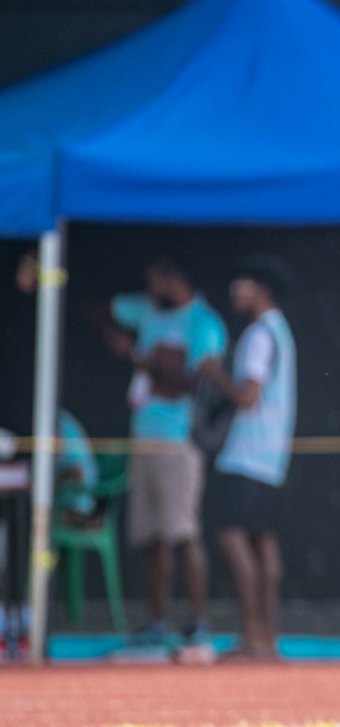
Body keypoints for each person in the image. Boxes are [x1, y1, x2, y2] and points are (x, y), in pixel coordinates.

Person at [103, 253, 226, 660]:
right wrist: (116, 336)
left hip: (179, 442)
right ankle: (158, 623)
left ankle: (198, 623)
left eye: (155, 281)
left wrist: (141, 357)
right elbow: (96, 306)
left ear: (175, 279)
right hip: (144, 439)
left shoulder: (204, 325)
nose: (150, 290)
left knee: (183, 533)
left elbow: (196, 381)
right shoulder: (147, 312)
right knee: (149, 538)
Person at [198, 257, 297, 662]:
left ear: (263, 290)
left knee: (232, 536)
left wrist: (213, 372)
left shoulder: (259, 334)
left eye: (243, 286)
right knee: (262, 542)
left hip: (247, 453)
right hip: (273, 456)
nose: (236, 294)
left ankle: (253, 638)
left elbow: (248, 396)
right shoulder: (281, 331)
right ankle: (267, 639)